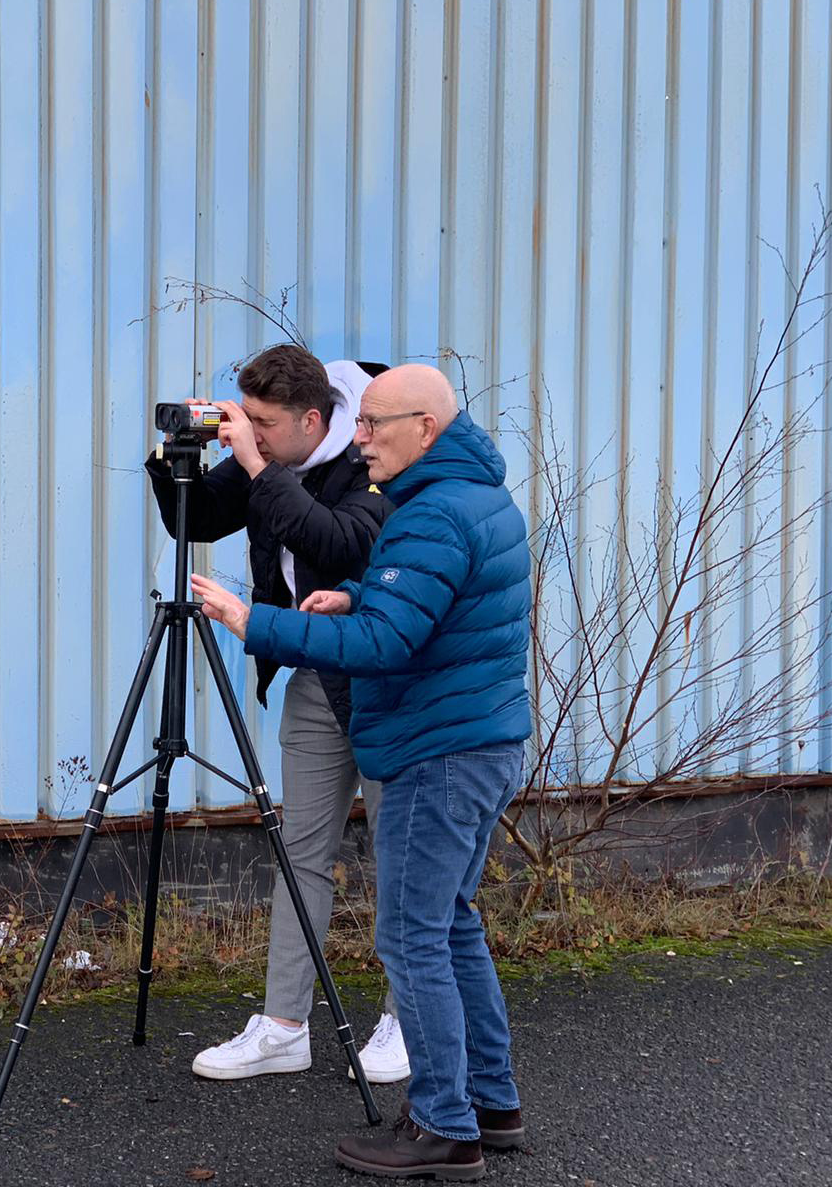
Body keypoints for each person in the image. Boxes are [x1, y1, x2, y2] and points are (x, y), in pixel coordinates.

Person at [190, 363, 531, 1180]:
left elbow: (387, 647)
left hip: (436, 751)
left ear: (428, 428)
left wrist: (253, 620)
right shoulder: (472, 497)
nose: (362, 438)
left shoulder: (432, 516)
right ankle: (495, 1104)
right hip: (477, 739)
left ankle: (446, 1127)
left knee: (413, 936)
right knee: (451, 922)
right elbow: (418, 615)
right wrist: (356, 601)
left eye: (376, 424)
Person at [143, 343, 409, 1084]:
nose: (249, 436)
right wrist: (176, 458)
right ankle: (285, 1026)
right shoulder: (274, 446)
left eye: (262, 424)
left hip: (391, 683)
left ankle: (406, 1021)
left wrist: (261, 470)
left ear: (313, 420)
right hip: (318, 677)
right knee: (302, 853)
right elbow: (196, 521)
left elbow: (339, 540)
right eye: (245, 421)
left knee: (401, 858)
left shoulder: (372, 453)